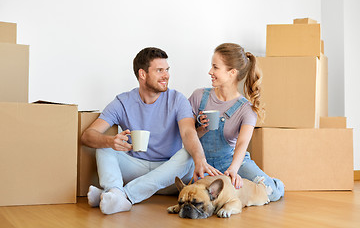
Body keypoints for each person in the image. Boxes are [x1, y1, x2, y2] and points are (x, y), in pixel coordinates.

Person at [81, 47, 220, 215]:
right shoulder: (122, 101)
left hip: (170, 174)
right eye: (159, 70)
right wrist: (111, 141)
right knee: (103, 145)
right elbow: (88, 135)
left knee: (187, 155)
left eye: (167, 70)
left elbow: (188, 133)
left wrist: (200, 159)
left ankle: (123, 196)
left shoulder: (178, 100)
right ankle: (114, 192)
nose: (166, 75)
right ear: (142, 74)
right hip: (136, 169)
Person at [188, 43, 284, 201]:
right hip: (201, 162)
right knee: (195, 194)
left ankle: (272, 185)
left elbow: (242, 143)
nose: (210, 72)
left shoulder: (247, 109)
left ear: (232, 72)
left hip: (232, 161)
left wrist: (233, 170)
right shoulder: (199, 96)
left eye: (215, 67)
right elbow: (186, 135)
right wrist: (202, 129)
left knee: (270, 191)